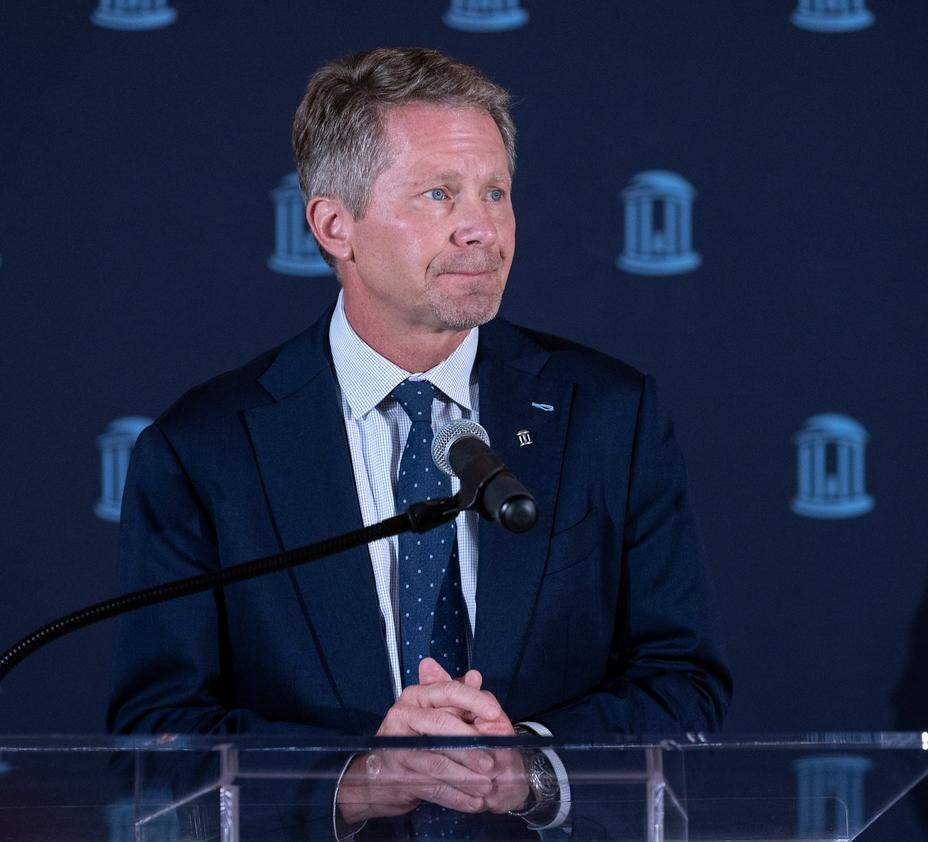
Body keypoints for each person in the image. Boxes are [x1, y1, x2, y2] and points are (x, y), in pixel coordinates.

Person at [107, 47, 731, 838]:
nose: (483, 229)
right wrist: (358, 781)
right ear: (335, 226)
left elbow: (685, 687)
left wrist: (530, 766)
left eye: (496, 192)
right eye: (439, 194)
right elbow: (157, 734)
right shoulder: (205, 450)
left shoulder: (610, 414)